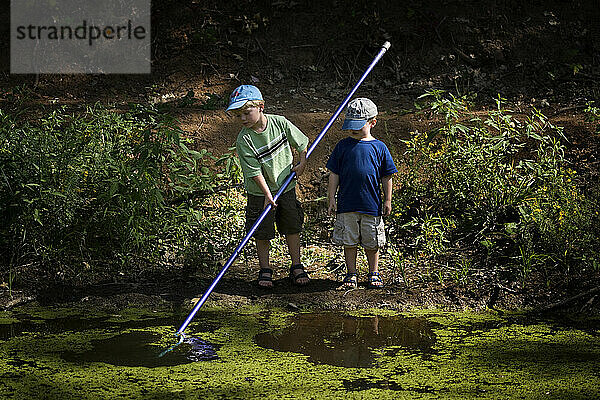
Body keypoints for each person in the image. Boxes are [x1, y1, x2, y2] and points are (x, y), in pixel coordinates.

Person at [227, 84, 310, 288]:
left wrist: (302, 162)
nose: (243, 119)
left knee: (292, 225)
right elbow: (253, 171)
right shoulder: (244, 139)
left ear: (261, 107)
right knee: (262, 230)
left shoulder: (279, 123)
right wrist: (267, 194)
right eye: (238, 116)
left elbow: (301, 142)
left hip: (286, 187)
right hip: (259, 192)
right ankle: (265, 268)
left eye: (246, 113)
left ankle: (296, 265)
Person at [326, 98, 397, 289]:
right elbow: (334, 173)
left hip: (371, 205)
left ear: (372, 122)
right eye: (350, 125)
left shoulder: (379, 147)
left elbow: (386, 176)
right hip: (347, 204)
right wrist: (331, 197)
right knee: (349, 241)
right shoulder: (342, 146)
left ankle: (373, 272)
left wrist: (388, 199)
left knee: (371, 241)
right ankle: (351, 274)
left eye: (358, 125)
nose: (353, 130)